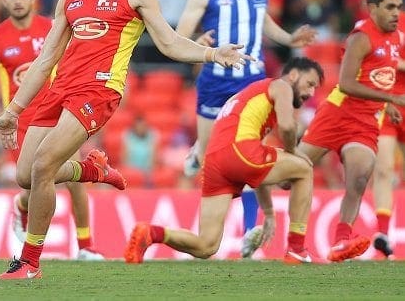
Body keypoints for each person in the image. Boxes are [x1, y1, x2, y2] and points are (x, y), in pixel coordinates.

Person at [0, 0, 251, 279]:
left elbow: (170, 43)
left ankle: (30, 262)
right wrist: (12, 111)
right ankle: (92, 170)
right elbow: (45, 59)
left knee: (42, 167)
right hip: (59, 89)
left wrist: (211, 53)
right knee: (25, 175)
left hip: (98, 92)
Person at [176, 0, 316, 258]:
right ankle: (198, 156)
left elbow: (262, 21)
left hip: (251, 79)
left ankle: (251, 226)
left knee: (251, 152)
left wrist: (288, 38)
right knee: (213, 159)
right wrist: (196, 42)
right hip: (215, 80)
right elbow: (179, 33)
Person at [124, 57, 324, 264]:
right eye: (309, 84)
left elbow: (258, 171)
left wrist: (268, 213)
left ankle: (150, 233)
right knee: (305, 169)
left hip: (215, 161)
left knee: (206, 245)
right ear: (293, 75)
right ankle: (296, 249)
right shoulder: (281, 86)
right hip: (238, 151)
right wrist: (293, 151)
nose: (311, 93)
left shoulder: (250, 98)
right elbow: (288, 127)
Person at [0, 0, 104, 260]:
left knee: (73, 177)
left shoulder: (54, 28)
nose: (18, 1)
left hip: (58, 113)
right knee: (31, 181)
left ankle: (85, 247)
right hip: (21, 123)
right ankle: (23, 205)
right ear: (4, 0)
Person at [297, 0, 404, 262]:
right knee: (290, 172)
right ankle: (248, 180)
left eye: (399, 7)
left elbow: (382, 76)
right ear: (372, 8)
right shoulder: (361, 37)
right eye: (390, 7)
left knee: (358, 179)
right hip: (337, 113)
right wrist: (391, 99)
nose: (396, 13)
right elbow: (345, 83)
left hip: (367, 121)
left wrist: (386, 102)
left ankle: (341, 241)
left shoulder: (395, 38)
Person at [370, 8, 405, 259]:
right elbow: (373, 57)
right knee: (382, 169)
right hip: (389, 101)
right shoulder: (391, 20)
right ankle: (382, 233)